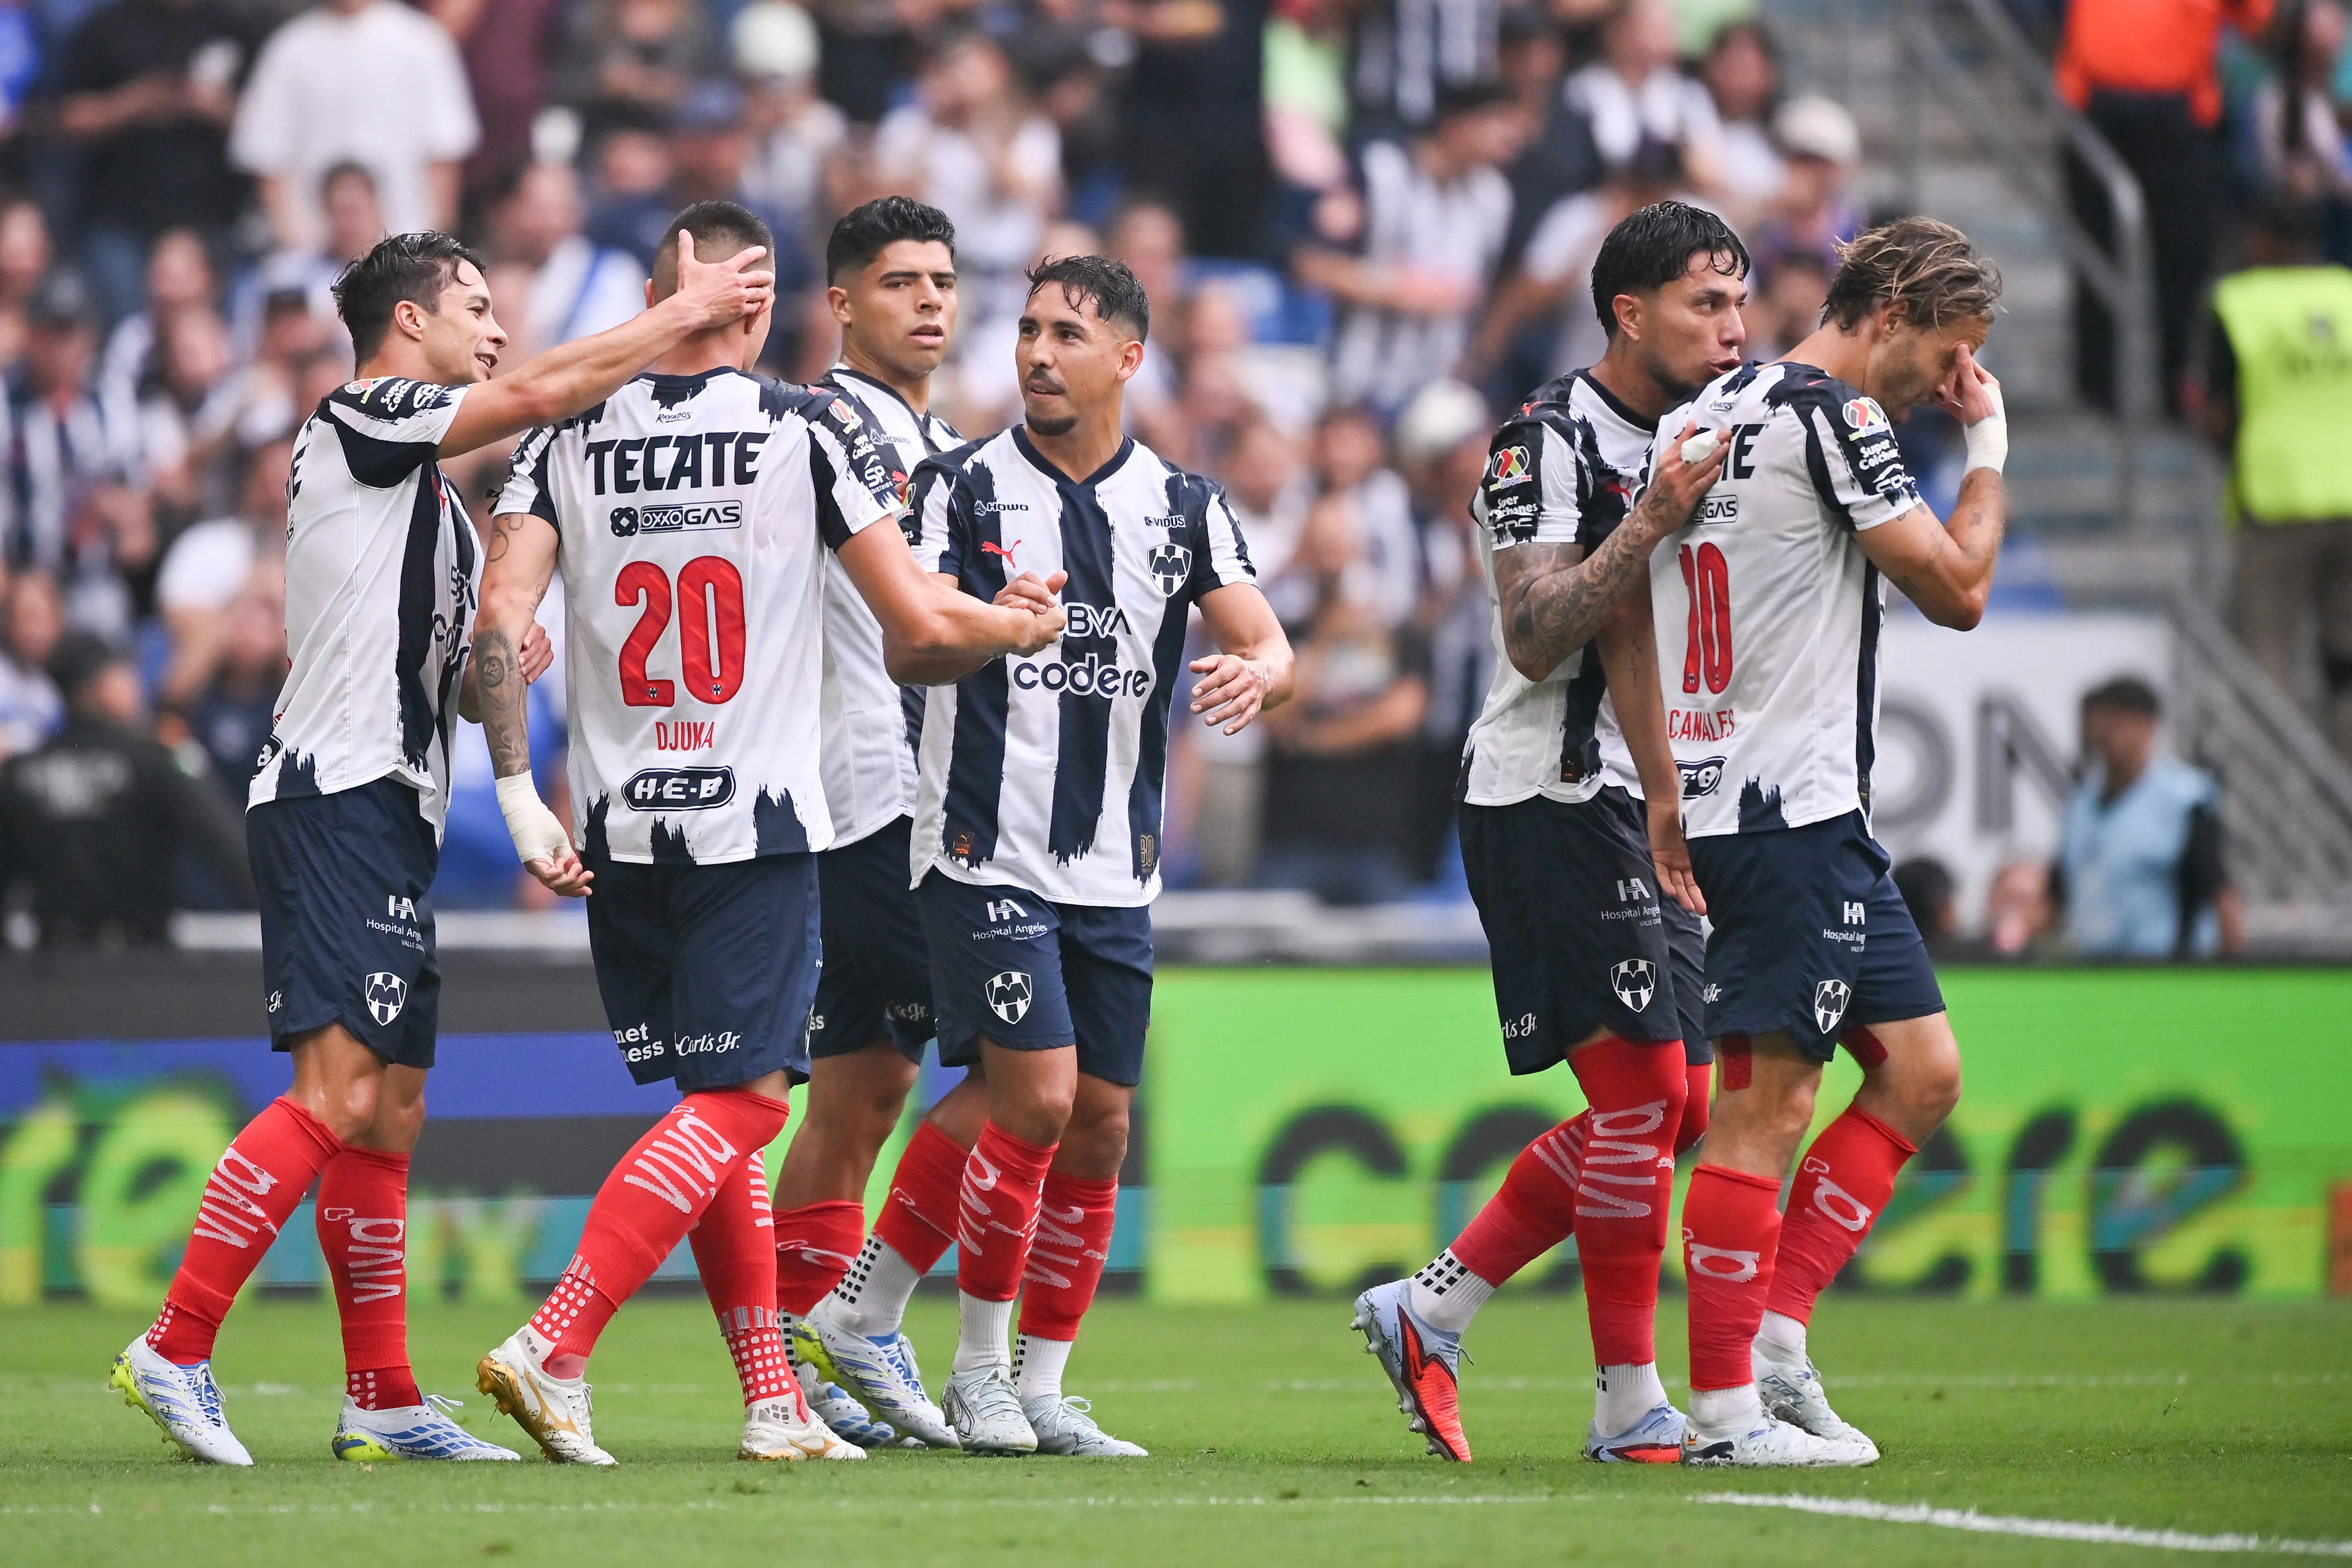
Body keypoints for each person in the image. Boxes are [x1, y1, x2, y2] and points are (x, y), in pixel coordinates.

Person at [107, 224, 776, 1467]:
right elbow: (527, 395)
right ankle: (178, 1342)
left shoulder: (437, 517)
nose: (496, 325)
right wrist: (680, 319)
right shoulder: (357, 417)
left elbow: (463, 676)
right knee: (338, 1091)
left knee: (391, 1111)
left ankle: (382, 1396)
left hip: (396, 811)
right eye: (474, 303)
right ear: (407, 324)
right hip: (333, 799)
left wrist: (505, 711)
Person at [467, 200, 1063, 1465]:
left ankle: (772, 1397)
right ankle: (557, 1338)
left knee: (711, 1106)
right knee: (742, 1108)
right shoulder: (803, 426)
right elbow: (912, 625)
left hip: (619, 831)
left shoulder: (560, 439)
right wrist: (1011, 625)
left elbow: (492, 627)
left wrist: (521, 795)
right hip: (761, 819)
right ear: (754, 299)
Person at [804, 255, 1292, 1458]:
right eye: (1024, 329)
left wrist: (1261, 672)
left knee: (1102, 1121)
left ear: (1127, 357)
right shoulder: (957, 490)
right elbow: (906, 651)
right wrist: (998, 623)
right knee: (1036, 1092)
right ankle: (972, 1370)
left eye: (1064, 332)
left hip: (1113, 864)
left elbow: (1269, 642)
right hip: (977, 843)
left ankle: (1014, 1371)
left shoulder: (1184, 507)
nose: (1032, 351)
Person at [1349, 201, 1745, 1466]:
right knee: (1640, 1102)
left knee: (1678, 1106)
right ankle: (1627, 1399)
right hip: (1550, 793)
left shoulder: (1722, 428)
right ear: (1628, 313)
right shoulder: (1540, 440)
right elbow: (1533, 630)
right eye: (1705, 304)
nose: (1731, 330)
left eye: (1740, 303)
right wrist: (1649, 516)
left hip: (1658, 800)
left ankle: (1430, 1306)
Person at [1652, 216, 2007, 1466]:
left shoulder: (1699, 411)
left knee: (1917, 1071)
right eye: (1945, 350)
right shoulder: (1835, 419)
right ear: (1894, 307)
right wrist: (1986, 446)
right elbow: (1958, 592)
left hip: (1778, 809)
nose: (1941, 379)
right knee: (1767, 1107)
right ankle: (1722, 1414)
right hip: (1781, 810)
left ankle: (1776, 1340)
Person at [773, 196, 971, 1451]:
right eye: (900, 282)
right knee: (1022, 1075)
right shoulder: (819, 426)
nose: (931, 302)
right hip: (873, 795)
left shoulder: (941, 437)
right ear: (840, 304)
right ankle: (857, 1318)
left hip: (893, 795)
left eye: (943, 280)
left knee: (859, 1092)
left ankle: (798, 1360)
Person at [2203, 196, 2352, 760]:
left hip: (2276, 503)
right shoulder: (2349, 293)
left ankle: (2278, 809)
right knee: (2346, 665)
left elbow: (2217, 414)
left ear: (2262, 240)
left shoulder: (2242, 303)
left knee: (2266, 666)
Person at [0, 632, 253, 944]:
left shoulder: (21, 772)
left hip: (51, 968)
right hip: (141, 966)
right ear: (106, 686)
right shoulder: (153, 762)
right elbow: (227, 849)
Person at [1298, 79, 1522, 412]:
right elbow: (1309, 263)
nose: (1511, 137)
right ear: (1456, 123)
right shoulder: (1378, 171)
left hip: (1438, 385)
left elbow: (1485, 290)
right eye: (1497, 121)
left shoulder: (1495, 197)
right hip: (1352, 378)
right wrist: (1402, 290)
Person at [229, 0, 480, 250]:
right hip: (317, 250)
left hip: (406, 248)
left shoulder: (423, 42)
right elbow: (269, 156)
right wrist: (298, 243)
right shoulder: (289, 48)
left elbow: (443, 151)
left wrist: (432, 241)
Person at [2051, 677, 2243, 958]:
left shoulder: (2183, 799)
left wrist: (2230, 973)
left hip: (2164, 973)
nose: (2105, 732)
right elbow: (2059, 890)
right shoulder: (2082, 803)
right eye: (2101, 720)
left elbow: (2220, 892)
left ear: (2148, 727)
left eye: (2119, 721)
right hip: (2093, 975)